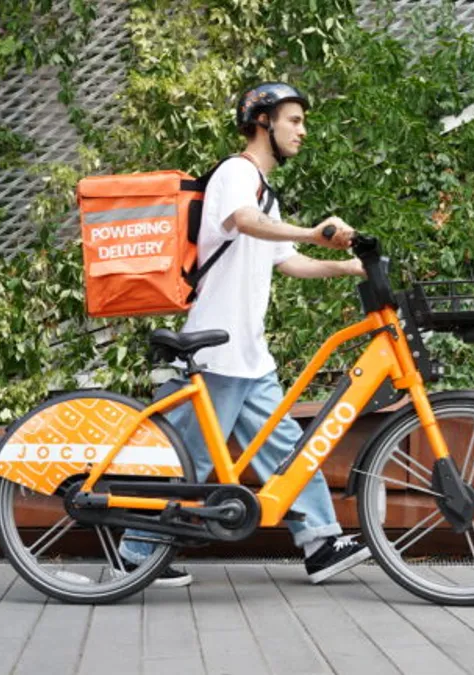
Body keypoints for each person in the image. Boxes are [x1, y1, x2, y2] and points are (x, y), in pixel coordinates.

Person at [120, 82, 370, 588]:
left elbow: (288, 262)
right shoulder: (237, 174)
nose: (302, 130)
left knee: (285, 449)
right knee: (189, 457)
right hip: (216, 349)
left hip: (249, 354)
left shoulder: (264, 190)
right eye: (294, 120)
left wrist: (345, 267)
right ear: (264, 122)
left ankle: (321, 542)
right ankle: (135, 550)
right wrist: (311, 230)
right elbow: (245, 222)